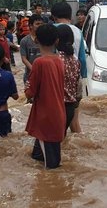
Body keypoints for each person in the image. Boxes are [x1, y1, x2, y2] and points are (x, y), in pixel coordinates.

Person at [24, 24, 66, 169]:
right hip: (57, 114)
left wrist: (26, 89)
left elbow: (31, 92)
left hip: (45, 118)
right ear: (57, 41)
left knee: (52, 168)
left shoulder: (39, 62)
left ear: (36, 40)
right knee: (37, 157)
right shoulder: (59, 61)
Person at [51, 2, 88, 133]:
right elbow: (82, 59)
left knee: (54, 122)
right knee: (74, 121)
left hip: (55, 79)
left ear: (54, 16)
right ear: (70, 15)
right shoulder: (78, 31)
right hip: (74, 78)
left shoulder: (50, 30)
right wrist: (83, 80)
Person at [56, 25, 81, 135]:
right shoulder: (75, 61)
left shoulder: (55, 60)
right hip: (70, 108)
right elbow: (77, 86)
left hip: (57, 107)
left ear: (56, 41)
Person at [20, 14, 43, 83]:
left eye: (41, 24)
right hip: (30, 75)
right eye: (37, 24)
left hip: (43, 74)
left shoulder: (45, 39)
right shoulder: (24, 41)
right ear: (30, 26)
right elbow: (24, 58)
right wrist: (34, 70)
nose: (40, 26)